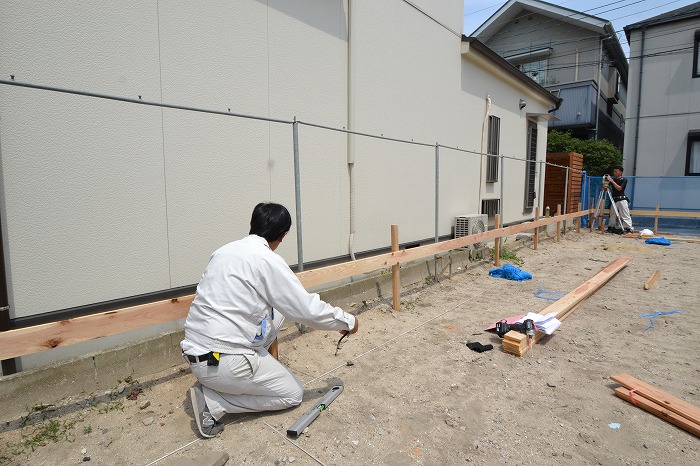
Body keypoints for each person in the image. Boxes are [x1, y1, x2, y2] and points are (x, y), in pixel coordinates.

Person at [181, 202, 359, 438]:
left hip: (197, 354)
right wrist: (348, 321)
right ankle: (214, 403)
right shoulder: (267, 260)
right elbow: (306, 309)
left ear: (252, 224)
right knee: (292, 394)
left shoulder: (223, 251)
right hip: (223, 362)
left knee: (278, 309)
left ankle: (237, 374)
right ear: (283, 235)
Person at [606, 165, 633, 234]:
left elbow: (619, 188)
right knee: (612, 214)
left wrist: (612, 181)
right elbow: (606, 188)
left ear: (620, 172)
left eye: (616, 171)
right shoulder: (613, 180)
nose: (614, 173)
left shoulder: (623, 180)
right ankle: (611, 227)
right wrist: (606, 184)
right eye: (614, 171)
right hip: (614, 200)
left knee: (625, 214)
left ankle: (628, 228)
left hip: (622, 199)